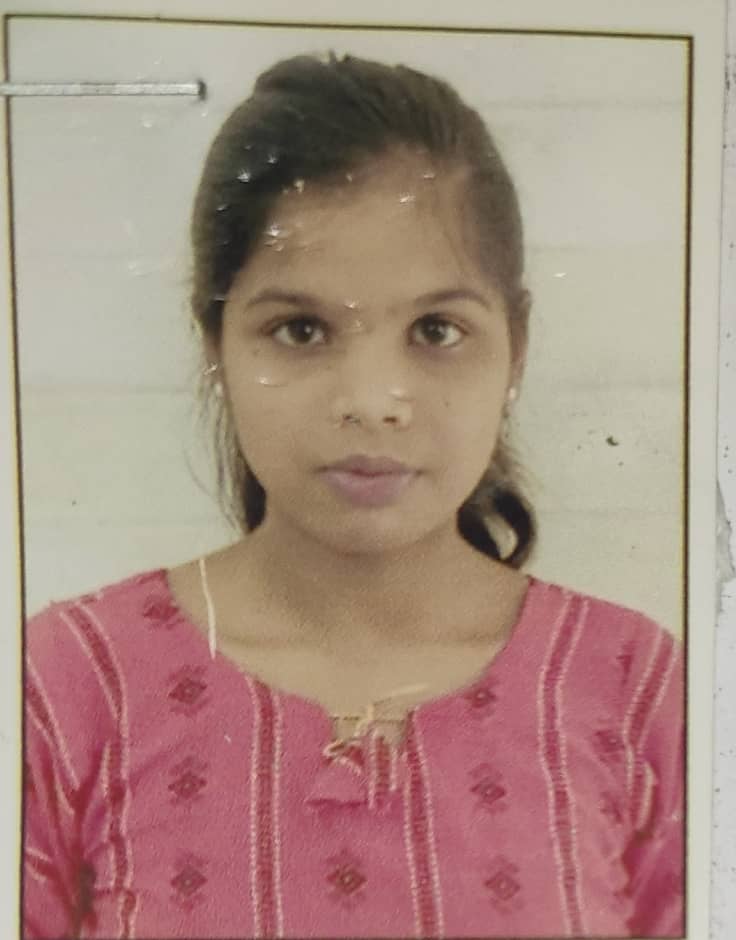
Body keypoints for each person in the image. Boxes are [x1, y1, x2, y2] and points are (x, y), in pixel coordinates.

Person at [22, 53, 684, 939]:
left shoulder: (639, 689)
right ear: (216, 342)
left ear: (516, 347)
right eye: (300, 329)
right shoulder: (65, 685)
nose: (372, 400)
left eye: (436, 330)